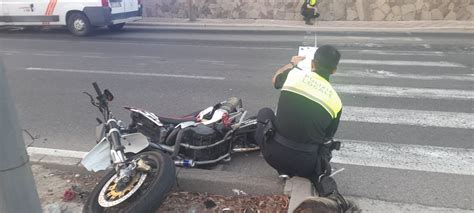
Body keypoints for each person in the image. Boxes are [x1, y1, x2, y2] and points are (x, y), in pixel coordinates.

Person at [255, 45, 359, 212]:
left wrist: (292, 63)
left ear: (312, 63)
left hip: (273, 155)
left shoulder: (295, 75)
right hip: (306, 166)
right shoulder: (336, 102)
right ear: (334, 70)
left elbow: (275, 80)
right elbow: (327, 137)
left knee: (265, 112)